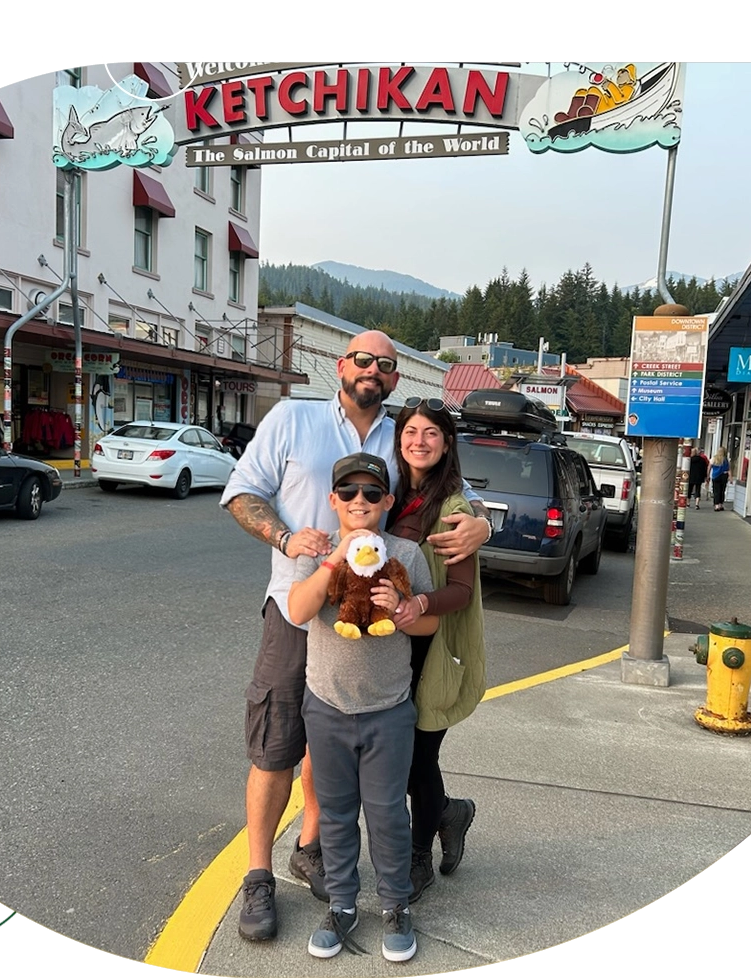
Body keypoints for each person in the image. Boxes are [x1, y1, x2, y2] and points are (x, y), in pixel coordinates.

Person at [219, 329, 494, 944]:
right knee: (274, 744)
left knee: (339, 735)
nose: (373, 370)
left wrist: (481, 525)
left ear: (396, 378)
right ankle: (259, 876)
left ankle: (316, 850)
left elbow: (454, 490)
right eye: (363, 359)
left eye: (386, 365)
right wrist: (290, 540)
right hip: (300, 607)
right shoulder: (293, 418)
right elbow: (240, 494)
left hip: (383, 621)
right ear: (341, 365)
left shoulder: (402, 437)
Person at [288, 453, 437, 962]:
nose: (359, 502)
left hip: (388, 708)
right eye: (348, 493)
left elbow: (428, 626)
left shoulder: (406, 554)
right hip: (326, 705)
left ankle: (395, 904)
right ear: (334, 501)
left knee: (388, 814)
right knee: (334, 813)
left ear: (387, 501)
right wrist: (336, 557)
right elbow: (298, 610)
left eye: (372, 494)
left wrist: (402, 606)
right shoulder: (318, 549)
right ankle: (343, 905)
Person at [383, 397, 486, 903]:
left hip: (434, 651)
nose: (418, 441)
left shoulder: (453, 508)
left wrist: (419, 599)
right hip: (390, 653)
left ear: (447, 444)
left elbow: (461, 590)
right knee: (402, 758)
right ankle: (449, 812)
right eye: (410, 431)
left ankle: (418, 854)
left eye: (430, 433)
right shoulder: (392, 495)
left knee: (418, 759)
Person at [710, 447, 730, 511]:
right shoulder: (726, 459)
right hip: (724, 476)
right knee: (722, 490)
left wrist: (707, 475)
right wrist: (730, 477)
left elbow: (709, 466)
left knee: (716, 491)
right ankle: (721, 504)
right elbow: (728, 469)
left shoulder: (714, 458)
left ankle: (716, 505)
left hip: (716, 476)